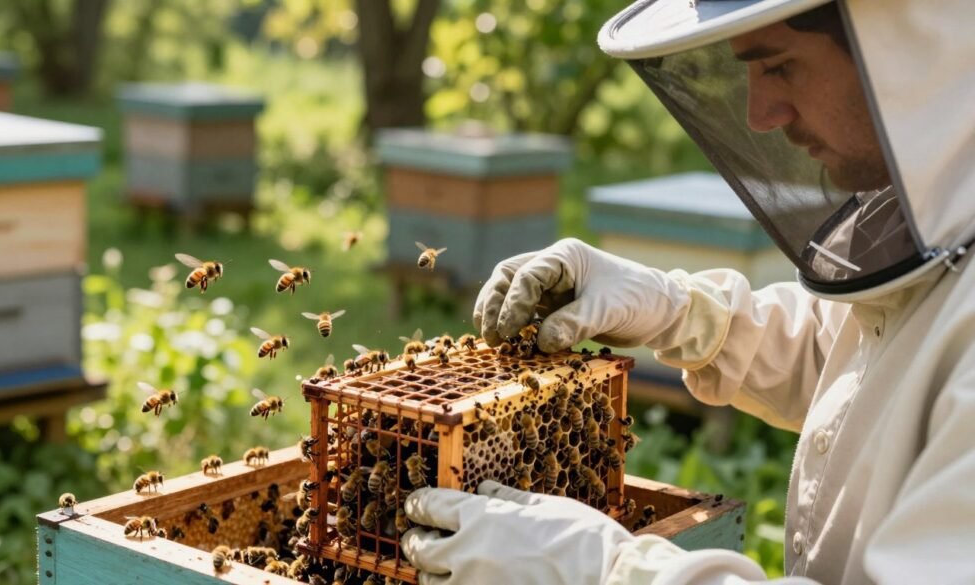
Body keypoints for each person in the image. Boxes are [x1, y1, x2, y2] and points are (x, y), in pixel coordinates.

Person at [399, 0, 975, 583]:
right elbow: (866, 362)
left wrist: (607, 572)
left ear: (911, 49)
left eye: (778, 66)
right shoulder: (944, 227)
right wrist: (680, 311)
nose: (760, 115)